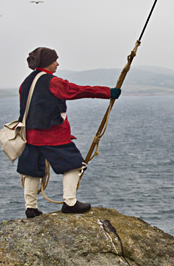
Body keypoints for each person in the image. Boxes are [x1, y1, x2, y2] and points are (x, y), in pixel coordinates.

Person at [17, 47, 121, 218]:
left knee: (31, 170)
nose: (57, 63)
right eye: (54, 60)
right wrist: (108, 92)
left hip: (29, 135)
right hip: (52, 135)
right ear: (46, 62)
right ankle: (70, 202)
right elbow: (77, 90)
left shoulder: (26, 82)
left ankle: (31, 208)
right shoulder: (52, 82)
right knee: (74, 165)